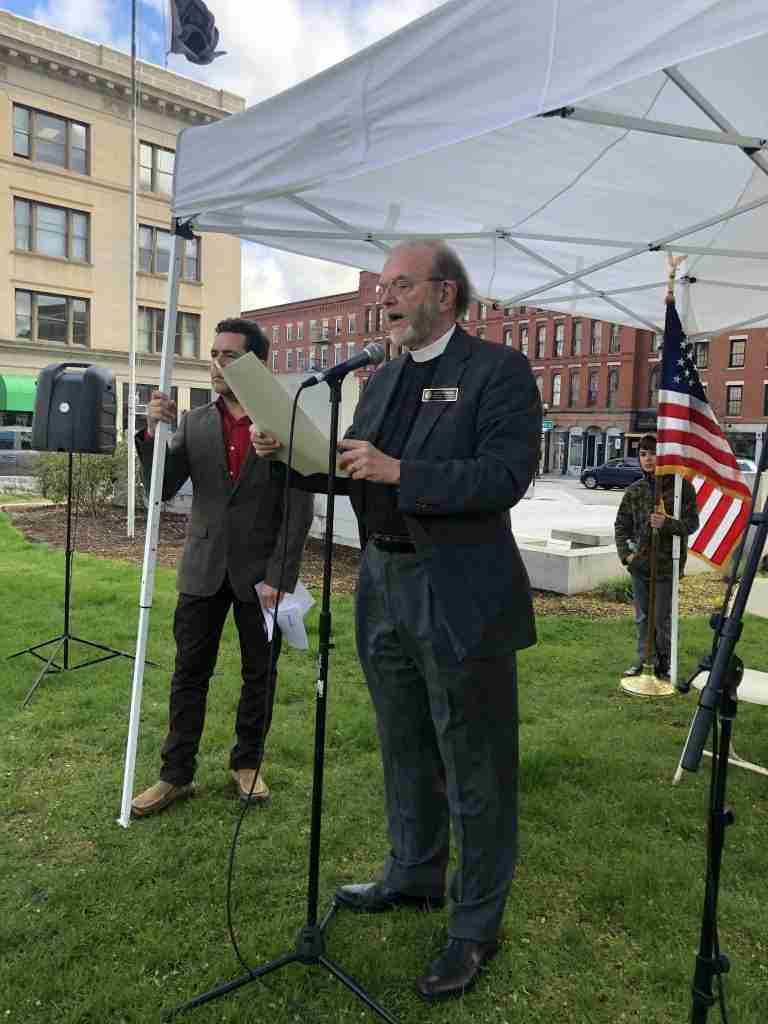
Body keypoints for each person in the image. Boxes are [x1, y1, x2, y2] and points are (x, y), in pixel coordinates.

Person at [252, 241, 541, 1003]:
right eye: (383, 286)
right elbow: (357, 474)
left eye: (400, 285)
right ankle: (414, 873)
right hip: (382, 581)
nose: (386, 298)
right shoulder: (378, 379)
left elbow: (506, 476)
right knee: (404, 739)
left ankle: (475, 925)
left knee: (474, 759)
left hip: (459, 590)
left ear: (445, 294)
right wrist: (290, 456)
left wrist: (403, 471)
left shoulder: (497, 371)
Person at [131, 318, 314, 817]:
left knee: (260, 674)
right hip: (203, 568)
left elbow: (299, 508)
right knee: (188, 674)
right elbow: (160, 489)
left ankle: (247, 763)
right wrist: (152, 433)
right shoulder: (193, 422)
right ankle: (175, 774)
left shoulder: (284, 422)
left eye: (229, 356)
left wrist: (280, 575)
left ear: (257, 364)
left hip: (261, 575)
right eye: (214, 354)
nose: (217, 364)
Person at [615, 434, 699, 680]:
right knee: (643, 617)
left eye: (653, 453)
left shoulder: (681, 489)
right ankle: (644, 660)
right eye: (643, 454)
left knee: (662, 618)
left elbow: (692, 524)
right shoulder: (635, 491)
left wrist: (667, 524)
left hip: (666, 565)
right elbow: (621, 525)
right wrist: (627, 556)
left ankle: (664, 662)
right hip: (640, 565)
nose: (648, 459)